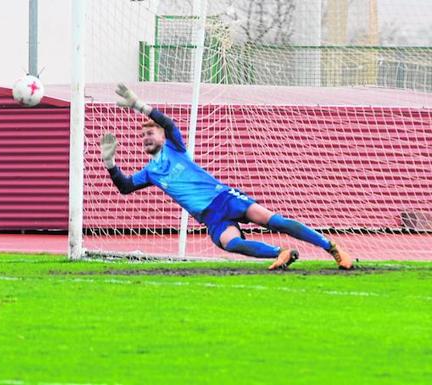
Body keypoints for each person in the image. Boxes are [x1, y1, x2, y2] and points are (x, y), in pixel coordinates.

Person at [100, 84, 353, 270]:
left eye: (151, 133)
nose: (146, 138)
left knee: (274, 220)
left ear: (162, 137)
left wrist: (139, 106)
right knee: (230, 243)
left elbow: (169, 123)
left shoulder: (175, 148)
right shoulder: (150, 173)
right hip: (210, 216)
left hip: (223, 197)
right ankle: (282, 252)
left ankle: (332, 247)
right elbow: (124, 187)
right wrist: (110, 162)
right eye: (143, 136)